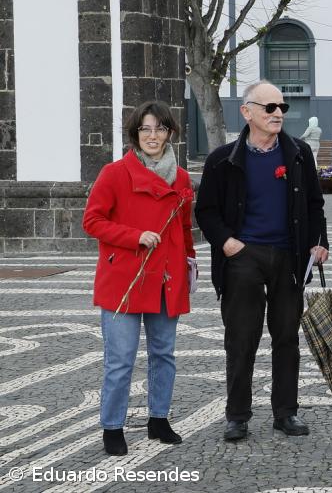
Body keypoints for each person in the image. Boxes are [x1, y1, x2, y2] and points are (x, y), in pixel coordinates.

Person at [196, 81, 329, 442]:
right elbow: (205, 211)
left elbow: (315, 205)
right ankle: (237, 415)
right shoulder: (222, 159)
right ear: (247, 112)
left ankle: (286, 412)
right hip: (243, 256)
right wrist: (226, 243)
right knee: (241, 339)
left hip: (289, 256)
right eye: (269, 107)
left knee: (286, 337)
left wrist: (319, 242)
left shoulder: (299, 153)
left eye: (281, 108)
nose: (277, 114)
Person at [83, 101, 195, 456]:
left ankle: (159, 418)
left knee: (164, 354)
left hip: (165, 277)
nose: (152, 135)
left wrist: (188, 264)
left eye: (159, 129)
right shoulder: (114, 173)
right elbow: (93, 221)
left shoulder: (180, 178)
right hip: (124, 279)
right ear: (135, 134)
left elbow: (184, 229)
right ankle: (112, 426)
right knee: (121, 359)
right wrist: (135, 236)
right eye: (145, 129)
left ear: (169, 133)